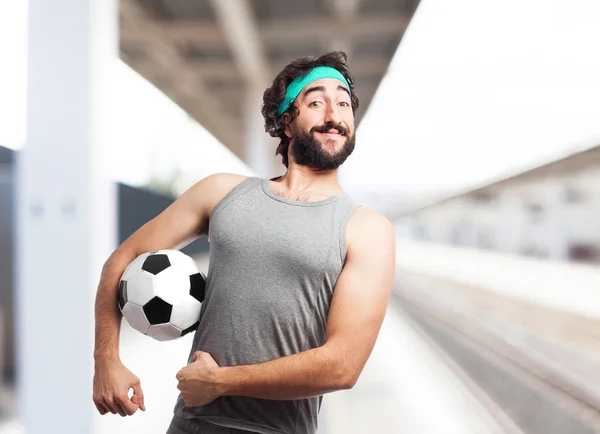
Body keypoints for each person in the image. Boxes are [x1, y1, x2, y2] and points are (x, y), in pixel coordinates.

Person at [93, 51, 396, 434]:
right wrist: (106, 360)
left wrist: (221, 382)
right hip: (192, 426)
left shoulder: (368, 230)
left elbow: (343, 365)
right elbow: (124, 257)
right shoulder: (222, 192)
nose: (334, 116)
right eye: (316, 102)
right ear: (287, 121)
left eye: (343, 103)